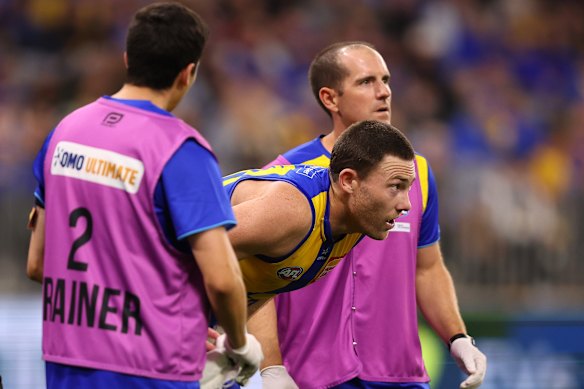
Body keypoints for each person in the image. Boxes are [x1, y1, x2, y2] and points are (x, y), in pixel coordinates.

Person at [25, 3, 262, 388]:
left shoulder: (65, 132)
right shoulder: (181, 150)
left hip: (67, 361)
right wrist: (240, 344)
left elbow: (37, 263)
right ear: (188, 73)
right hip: (152, 368)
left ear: (126, 59)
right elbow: (222, 280)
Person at [249, 41, 487, 389]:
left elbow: (428, 267)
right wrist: (271, 368)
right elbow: (255, 282)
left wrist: (458, 337)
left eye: (386, 80)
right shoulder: (285, 175)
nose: (384, 92)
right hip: (311, 377)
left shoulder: (415, 173)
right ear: (330, 99)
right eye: (366, 82)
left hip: (398, 376)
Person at [223, 119, 416, 316]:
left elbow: (263, 282)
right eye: (395, 186)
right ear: (349, 181)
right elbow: (198, 247)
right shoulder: (292, 210)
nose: (406, 205)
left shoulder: (356, 219)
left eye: (408, 188)